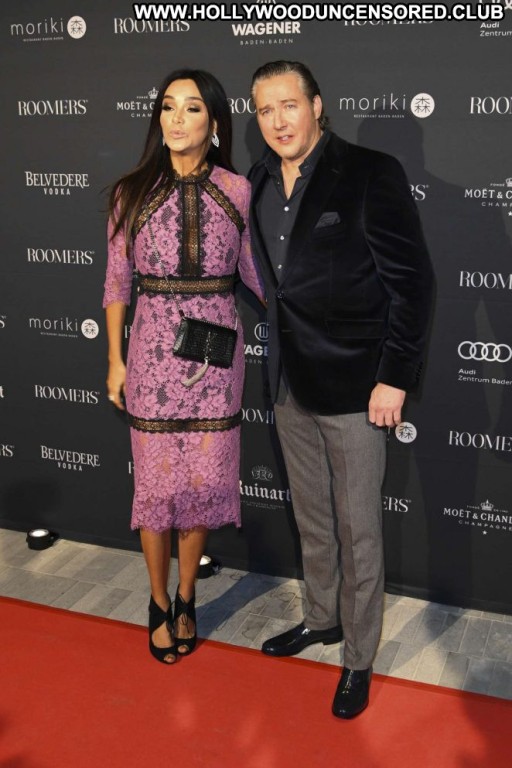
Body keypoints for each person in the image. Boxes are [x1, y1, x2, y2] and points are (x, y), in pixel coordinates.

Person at [249, 61, 434, 717]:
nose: (278, 121)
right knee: (313, 518)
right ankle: (321, 618)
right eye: (265, 110)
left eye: (289, 105)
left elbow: (412, 284)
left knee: (358, 530)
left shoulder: (369, 172)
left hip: (357, 384)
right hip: (287, 383)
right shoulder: (256, 181)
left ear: (316, 105)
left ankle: (358, 657)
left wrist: (394, 376)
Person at [103, 69, 263, 664]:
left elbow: (255, 273)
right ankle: (155, 601)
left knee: (200, 484)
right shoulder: (131, 192)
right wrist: (115, 361)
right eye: (168, 107)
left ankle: (188, 596)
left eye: (191, 108)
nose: (176, 118)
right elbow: (117, 283)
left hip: (216, 355)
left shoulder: (237, 190)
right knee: (156, 485)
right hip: (151, 353)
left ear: (214, 123)